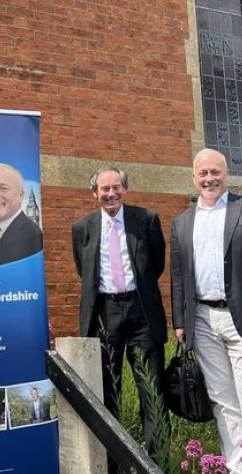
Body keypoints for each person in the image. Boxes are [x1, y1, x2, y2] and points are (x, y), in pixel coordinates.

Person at [170, 148, 242, 474]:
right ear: (194, 178)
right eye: (203, 173)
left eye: (215, 172)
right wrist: (180, 320)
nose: (210, 179)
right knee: (223, 401)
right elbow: (179, 275)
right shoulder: (182, 222)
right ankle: (237, 468)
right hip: (203, 320)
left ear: (227, 175)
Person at [71, 166, 168, 466]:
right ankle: (113, 464)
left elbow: (156, 265)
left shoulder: (147, 219)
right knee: (107, 392)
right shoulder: (82, 228)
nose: (110, 194)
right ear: (95, 193)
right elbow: (84, 271)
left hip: (142, 312)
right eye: (104, 189)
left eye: (116, 187)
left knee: (152, 390)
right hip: (104, 313)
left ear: (124, 189)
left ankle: (157, 463)